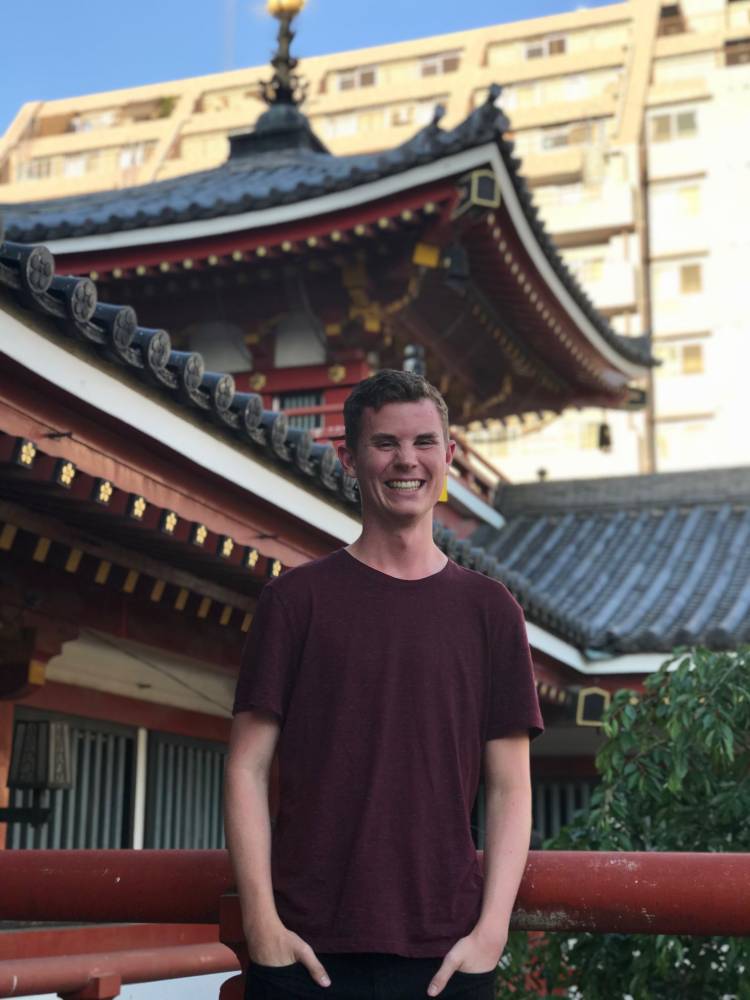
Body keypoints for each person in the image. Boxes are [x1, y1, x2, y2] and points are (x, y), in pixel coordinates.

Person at [225, 370, 543, 1000]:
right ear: (350, 457)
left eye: (425, 443)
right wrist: (261, 925)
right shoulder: (294, 601)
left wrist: (491, 934)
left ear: (448, 457)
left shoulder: (490, 610)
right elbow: (245, 768)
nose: (407, 461)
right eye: (385, 444)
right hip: (303, 946)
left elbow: (510, 786)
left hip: (446, 954)